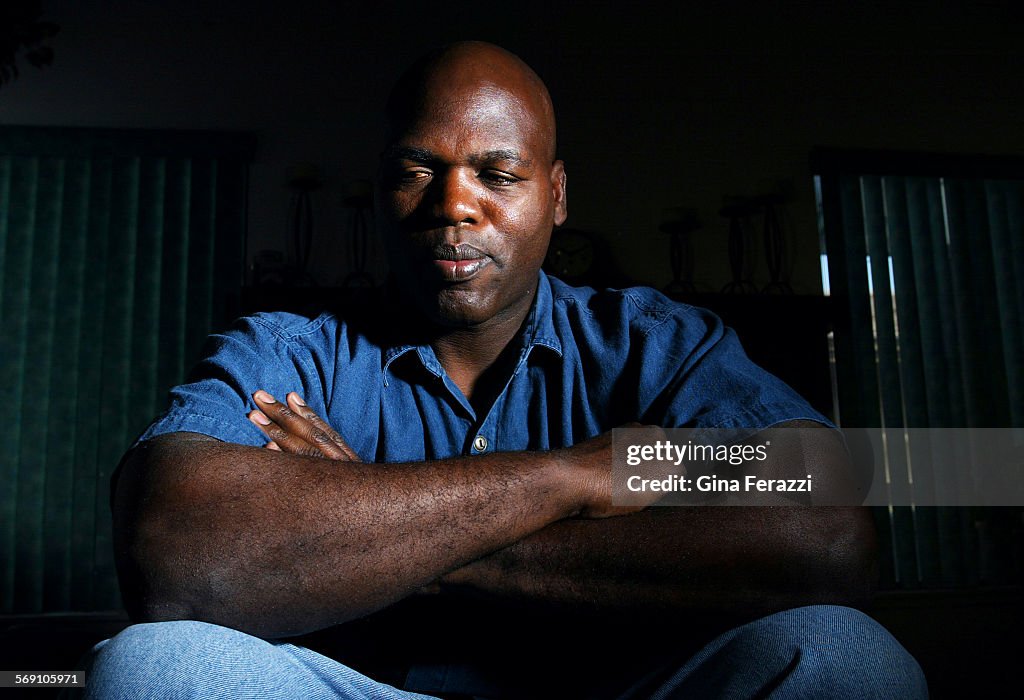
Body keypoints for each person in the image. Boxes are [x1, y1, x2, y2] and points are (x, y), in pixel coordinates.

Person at [80, 41, 926, 699]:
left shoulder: (657, 345)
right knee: (150, 665)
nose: (453, 204)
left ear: (555, 196)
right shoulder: (292, 349)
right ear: (382, 192)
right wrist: (575, 475)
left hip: (629, 694)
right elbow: (172, 551)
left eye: (497, 173)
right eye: (418, 172)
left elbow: (825, 532)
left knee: (849, 656)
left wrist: (386, 522)